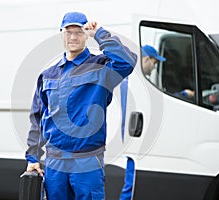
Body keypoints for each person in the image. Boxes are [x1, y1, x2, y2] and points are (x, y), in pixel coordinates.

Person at [25, 12, 137, 200]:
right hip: (55, 164)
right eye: (68, 32)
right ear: (62, 34)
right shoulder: (47, 75)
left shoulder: (102, 67)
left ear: (86, 35)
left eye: (79, 31)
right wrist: (33, 157)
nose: (73, 37)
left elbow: (127, 61)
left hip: (88, 162)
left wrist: (99, 33)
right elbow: (38, 119)